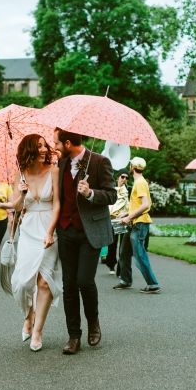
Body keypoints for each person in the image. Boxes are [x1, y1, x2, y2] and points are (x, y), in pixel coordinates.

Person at [54, 128, 116, 355]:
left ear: (68, 143)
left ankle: (93, 322)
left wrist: (91, 193)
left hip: (90, 231)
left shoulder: (100, 162)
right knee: (69, 285)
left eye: (57, 144)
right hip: (66, 231)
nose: (55, 148)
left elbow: (112, 195)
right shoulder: (61, 164)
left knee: (84, 281)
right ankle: (73, 336)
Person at [10, 134, 62, 352]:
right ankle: (28, 314)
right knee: (23, 282)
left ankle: (38, 330)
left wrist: (50, 231)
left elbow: (58, 204)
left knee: (43, 282)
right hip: (29, 229)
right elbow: (17, 208)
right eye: (39, 146)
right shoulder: (19, 175)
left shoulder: (54, 171)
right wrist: (22, 194)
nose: (44, 149)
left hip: (50, 228)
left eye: (45, 145)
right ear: (29, 150)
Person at [119, 157, 160, 293]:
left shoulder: (140, 183)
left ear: (132, 167)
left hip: (140, 223)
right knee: (124, 252)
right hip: (133, 222)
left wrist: (129, 216)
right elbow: (137, 204)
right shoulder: (138, 182)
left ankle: (153, 283)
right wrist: (126, 215)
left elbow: (145, 205)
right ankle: (125, 280)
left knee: (139, 255)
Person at [106, 172, 130, 275]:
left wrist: (127, 214)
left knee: (123, 246)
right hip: (112, 219)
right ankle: (111, 265)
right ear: (118, 178)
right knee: (112, 244)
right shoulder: (112, 190)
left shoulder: (129, 190)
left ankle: (121, 268)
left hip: (124, 220)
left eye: (126, 177)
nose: (124, 179)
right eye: (122, 177)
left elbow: (131, 204)